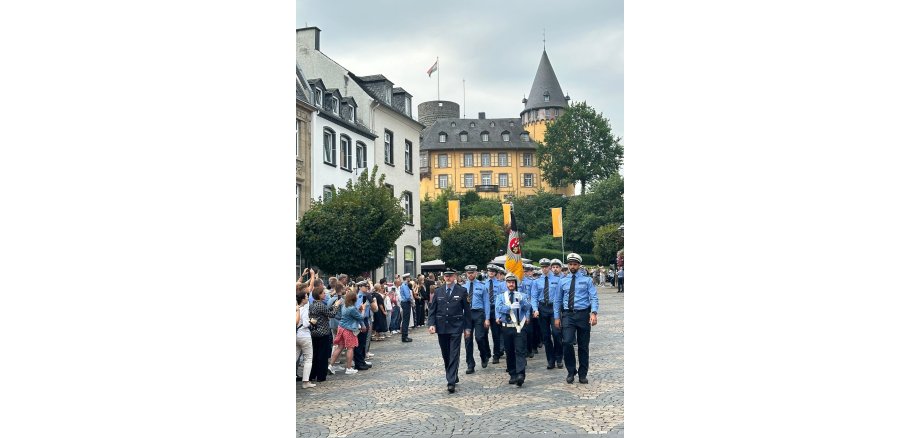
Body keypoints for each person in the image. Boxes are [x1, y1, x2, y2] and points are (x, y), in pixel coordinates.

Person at [554, 253, 599, 385]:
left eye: (575, 264)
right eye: (570, 264)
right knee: (567, 342)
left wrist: (594, 313)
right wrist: (557, 317)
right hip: (568, 315)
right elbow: (557, 300)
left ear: (579, 265)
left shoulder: (587, 280)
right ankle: (571, 370)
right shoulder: (563, 281)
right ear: (568, 265)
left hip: (583, 315)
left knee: (583, 346)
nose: (572, 266)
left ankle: (583, 373)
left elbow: (594, 297)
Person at [427, 268, 472, 393]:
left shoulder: (462, 291)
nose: (448, 278)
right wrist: (431, 324)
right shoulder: (438, 291)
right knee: (446, 353)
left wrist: (467, 328)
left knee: (454, 353)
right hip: (442, 326)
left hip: (456, 326)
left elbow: (467, 312)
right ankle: (452, 374)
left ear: (455, 277)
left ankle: (450, 381)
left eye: (450, 276)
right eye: (446, 276)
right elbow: (432, 309)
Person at [495, 273, 532, 387]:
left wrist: (521, 301)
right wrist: (509, 307)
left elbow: (527, 307)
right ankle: (512, 374)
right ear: (506, 284)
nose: (511, 284)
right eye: (509, 282)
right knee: (509, 351)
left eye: (513, 282)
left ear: (516, 284)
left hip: (519, 327)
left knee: (520, 351)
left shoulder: (522, 295)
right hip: (507, 327)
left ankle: (521, 374)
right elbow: (498, 308)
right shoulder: (501, 296)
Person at [531, 258, 563, 369]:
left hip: (554, 308)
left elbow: (560, 296)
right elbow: (534, 297)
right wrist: (535, 309)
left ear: (550, 267)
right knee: (546, 336)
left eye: (546, 266)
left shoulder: (558, 279)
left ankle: (559, 357)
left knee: (556, 333)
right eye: (542, 267)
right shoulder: (536, 281)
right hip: (542, 308)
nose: (544, 269)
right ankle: (551, 360)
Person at [461, 265, 491, 374]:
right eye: (468, 273)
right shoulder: (462, 287)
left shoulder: (482, 286)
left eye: (472, 272)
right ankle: (470, 364)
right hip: (467, 315)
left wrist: (487, 318)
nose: (470, 274)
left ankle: (484, 355)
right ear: (466, 274)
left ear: (476, 273)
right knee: (468, 340)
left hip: (478, 314)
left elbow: (486, 303)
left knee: (479, 337)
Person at [309, 282, 340, 383]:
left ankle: (313, 374)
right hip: (323, 332)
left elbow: (325, 312)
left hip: (314, 332)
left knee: (315, 354)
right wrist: (336, 305)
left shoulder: (312, 305)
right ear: (319, 295)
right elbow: (331, 314)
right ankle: (321, 375)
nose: (325, 295)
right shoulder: (320, 305)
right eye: (323, 293)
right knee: (322, 355)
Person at [329, 290, 364, 375]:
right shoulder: (352, 308)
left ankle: (330, 366)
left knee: (340, 347)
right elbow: (361, 317)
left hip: (341, 327)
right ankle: (348, 368)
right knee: (350, 348)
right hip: (349, 329)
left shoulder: (345, 306)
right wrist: (363, 309)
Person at [484, 264, 507, 363]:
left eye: (493, 271)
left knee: (496, 334)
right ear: (487, 272)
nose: (491, 272)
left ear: (496, 273)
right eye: (490, 271)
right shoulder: (483, 284)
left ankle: (496, 354)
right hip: (485, 309)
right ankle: (486, 352)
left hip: (496, 309)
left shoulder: (501, 284)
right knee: (483, 334)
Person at [352, 281, 377, 370]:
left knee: (363, 343)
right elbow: (359, 310)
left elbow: (374, 309)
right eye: (365, 287)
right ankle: (358, 363)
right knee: (359, 343)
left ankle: (362, 361)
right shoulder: (360, 296)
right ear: (360, 287)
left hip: (365, 319)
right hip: (361, 320)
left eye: (367, 286)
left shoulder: (365, 296)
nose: (367, 288)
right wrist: (362, 324)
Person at [296, 291, 314, 388]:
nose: (308, 298)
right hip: (304, 335)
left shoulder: (295, 308)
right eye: (306, 297)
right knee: (308, 359)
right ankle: (306, 382)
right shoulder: (304, 310)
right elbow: (306, 323)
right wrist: (311, 322)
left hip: (296, 335)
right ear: (303, 299)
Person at [521, 264, 540, 358]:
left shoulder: (531, 281)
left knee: (530, 330)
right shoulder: (513, 281)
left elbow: (533, 295)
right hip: (517, 309)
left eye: (523, 270)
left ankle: (531, 347)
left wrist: (534, 308)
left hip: (528, 307)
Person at [398, 274, 414, 342]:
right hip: (406, 303)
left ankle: (405, 335)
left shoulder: (405, 285)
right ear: (406, 278)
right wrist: (411, 301)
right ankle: (404, 336)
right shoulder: (404, 286)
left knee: (406, 320)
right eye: (409, 277)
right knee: (406, 320)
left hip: (405, 303)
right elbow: (407, 296)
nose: (409, 278)